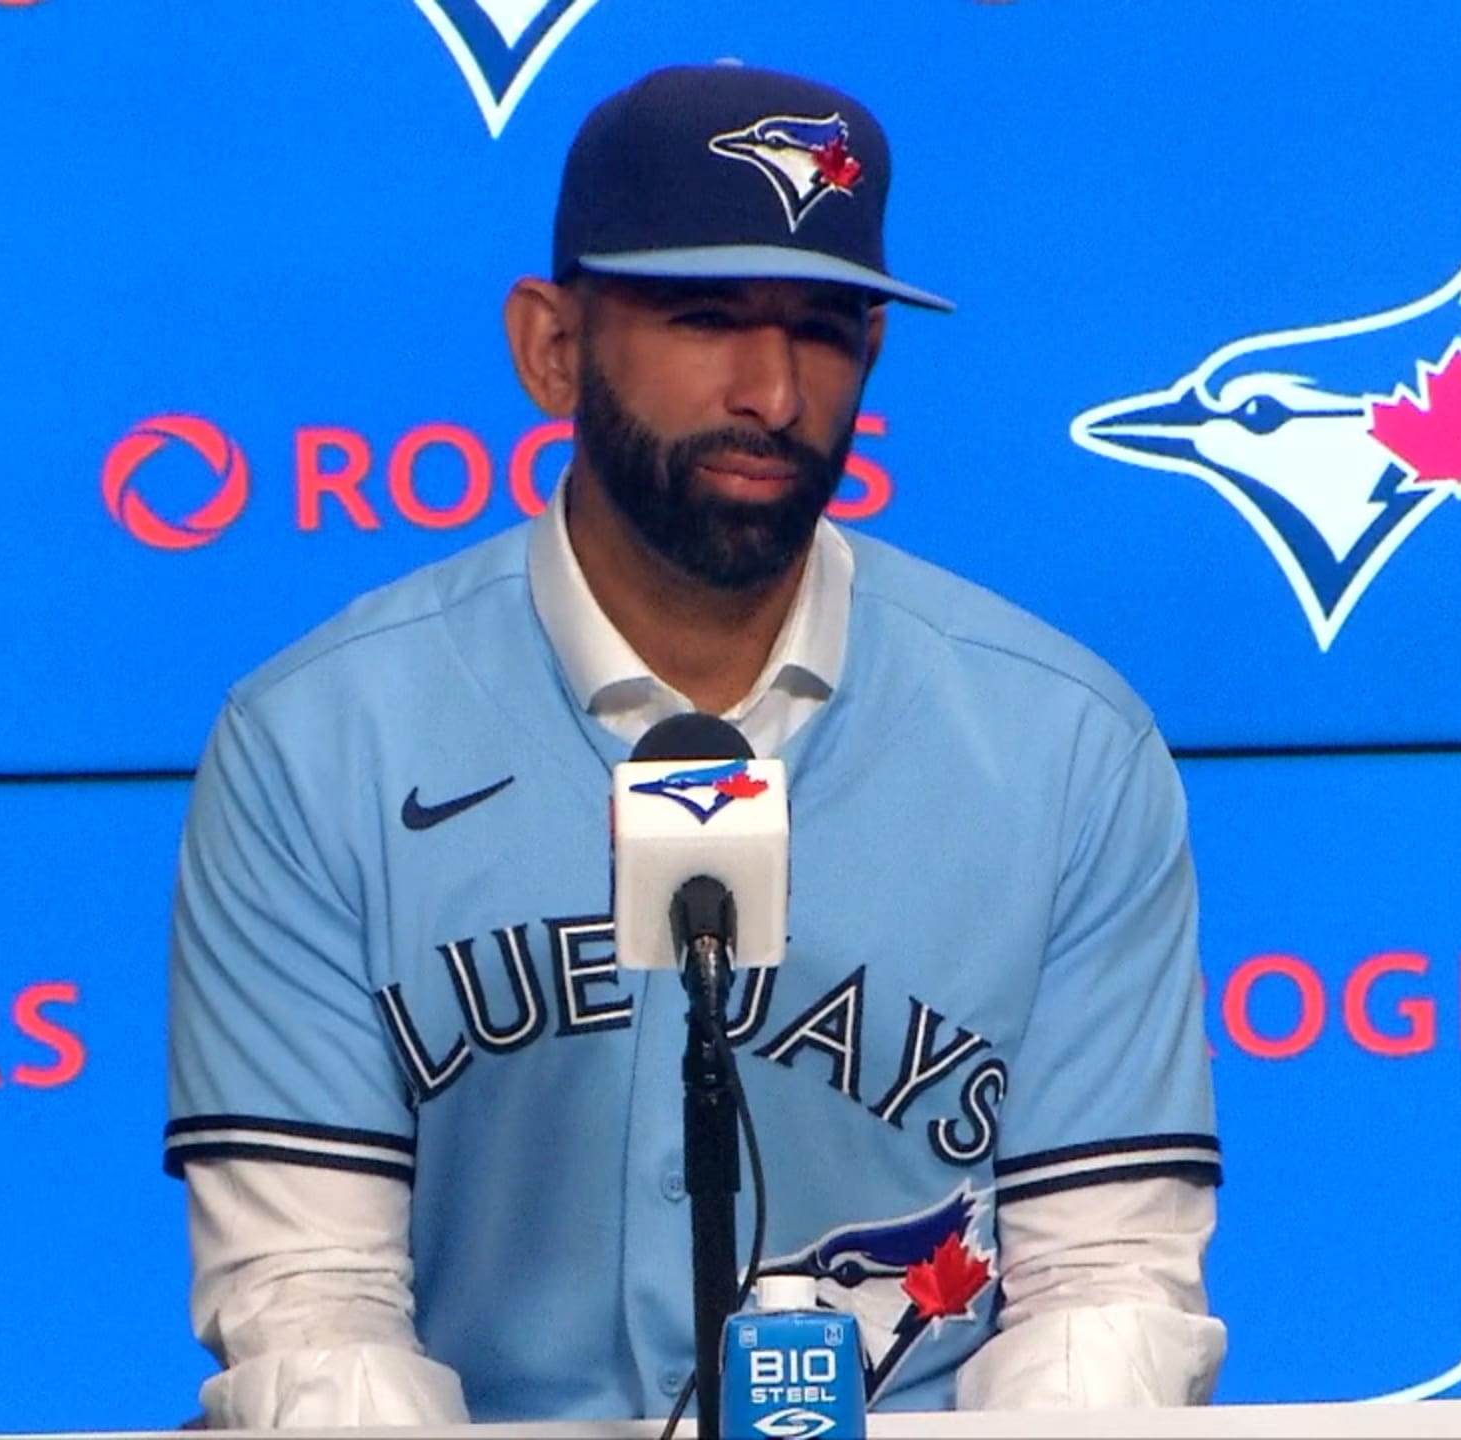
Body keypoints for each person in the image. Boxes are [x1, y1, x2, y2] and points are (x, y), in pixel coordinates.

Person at [163, 60, 1226, 1430]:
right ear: (552, 345)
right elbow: (311, 1306)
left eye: (827, 328)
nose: (774, 391)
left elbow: (1103, 1290)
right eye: (705, 315)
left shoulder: (1066, 745)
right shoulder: (317, 742)